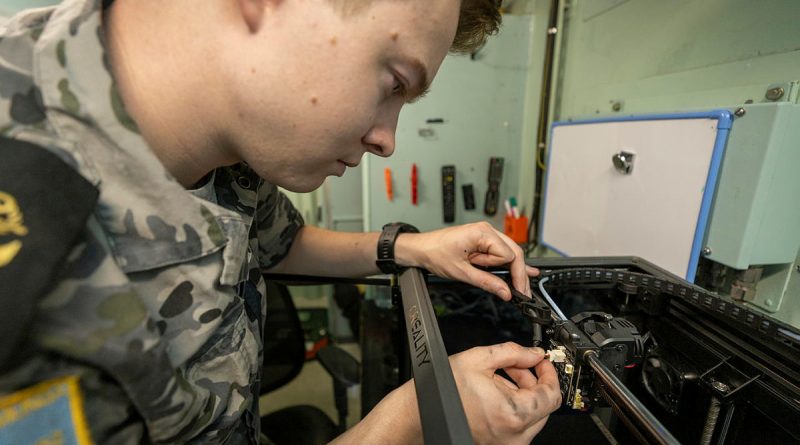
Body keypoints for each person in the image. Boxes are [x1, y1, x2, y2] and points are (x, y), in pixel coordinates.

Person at [0, 0, 561, 443]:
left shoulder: (230, 141)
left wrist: (413, 248)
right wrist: (411, 424)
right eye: (393, 83)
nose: (387, 141)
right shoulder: (28, 213)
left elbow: (280, 244)